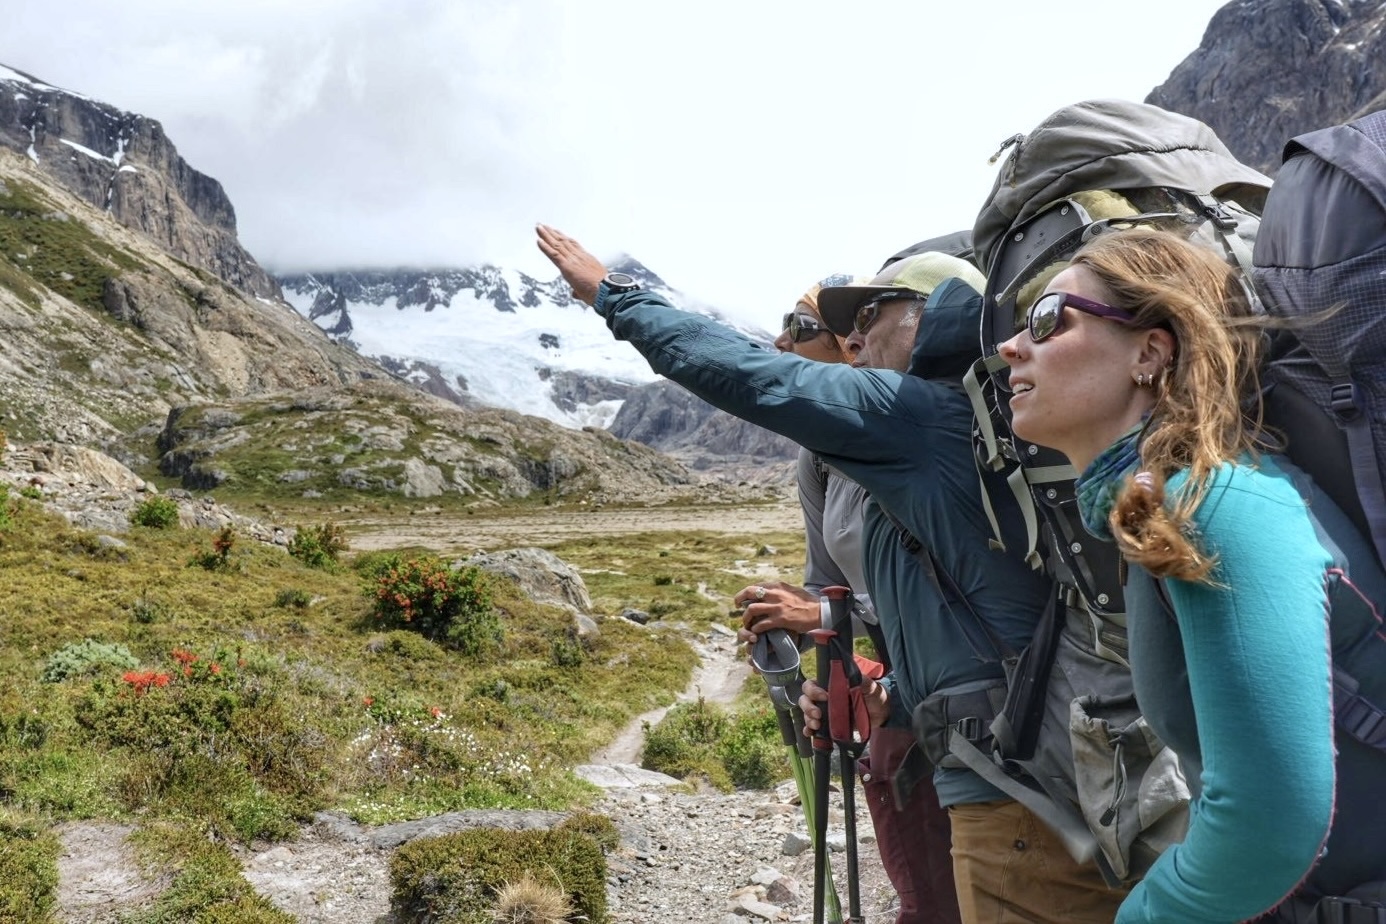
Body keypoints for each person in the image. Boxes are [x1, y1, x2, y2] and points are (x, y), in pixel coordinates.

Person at [536, 223, 1126, 923]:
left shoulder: (919, 416)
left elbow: (752, 378)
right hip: (1072, 753)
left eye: (870, 317)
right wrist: (894, 695)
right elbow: (997, 619)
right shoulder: (1002, 427)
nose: (855, 341)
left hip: (1007, 785)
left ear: (933, 318)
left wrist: (617, 297)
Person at [996, 226, 1386, 923]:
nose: (1011, 346)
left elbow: (1268, 826)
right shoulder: (1185, 502)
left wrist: (1146, 916)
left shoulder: (1212, 506)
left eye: (1050, 320)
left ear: (1149, 351)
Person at [733, 273, 960, 924]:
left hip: (959, 701)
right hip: (892, 708)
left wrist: (825, 617)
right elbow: (824, 581)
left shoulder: (920, 437)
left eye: (800, 329)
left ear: (850, 347)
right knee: (922, 889)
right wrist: (803, 633)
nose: (781, 342)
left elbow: (945, 586)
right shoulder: (821, 456)